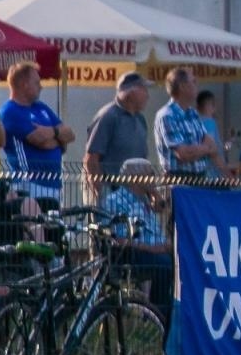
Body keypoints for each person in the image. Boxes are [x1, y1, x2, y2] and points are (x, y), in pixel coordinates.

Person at [100, 158, 172, 319]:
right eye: (151, 173)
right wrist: (156, 249)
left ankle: (171, 317)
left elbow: (164, 212)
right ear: (136, 177)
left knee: (179, 263)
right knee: (164, 265)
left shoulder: (145, 202)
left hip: (154, 252)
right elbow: (118, 240)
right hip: (127, 254)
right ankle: (157, 317)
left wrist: (156, 195)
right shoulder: (115, 201)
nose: (154, 178)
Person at [0, 61, 74, 204]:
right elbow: (40, 141)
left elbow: (70, 134)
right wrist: (59, 138)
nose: (41, 87)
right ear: (24, 84)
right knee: (35, 226)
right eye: (37, 82)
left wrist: (52, 132)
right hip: (30, 185)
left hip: (54, 184)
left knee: (53, 225)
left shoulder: (41, 108)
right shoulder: (10, 111)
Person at [84, 71, 152, 190]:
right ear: (130, 92)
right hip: (111, 190)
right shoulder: (108, 116)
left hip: (136, 192)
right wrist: (99, 192)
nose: (148, 95)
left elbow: (142, 159)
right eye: (144, 90)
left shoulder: (140, 119)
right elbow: (92, 158)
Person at [153, 67, 220, 179]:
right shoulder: (167, 115)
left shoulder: (193, 113)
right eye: (193, 81)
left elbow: (213, 146)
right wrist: (205, 149)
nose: (197, 84)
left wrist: (199, 149)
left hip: (200, 178)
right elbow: (183, 154)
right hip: (178, 180)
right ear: (182, 87)